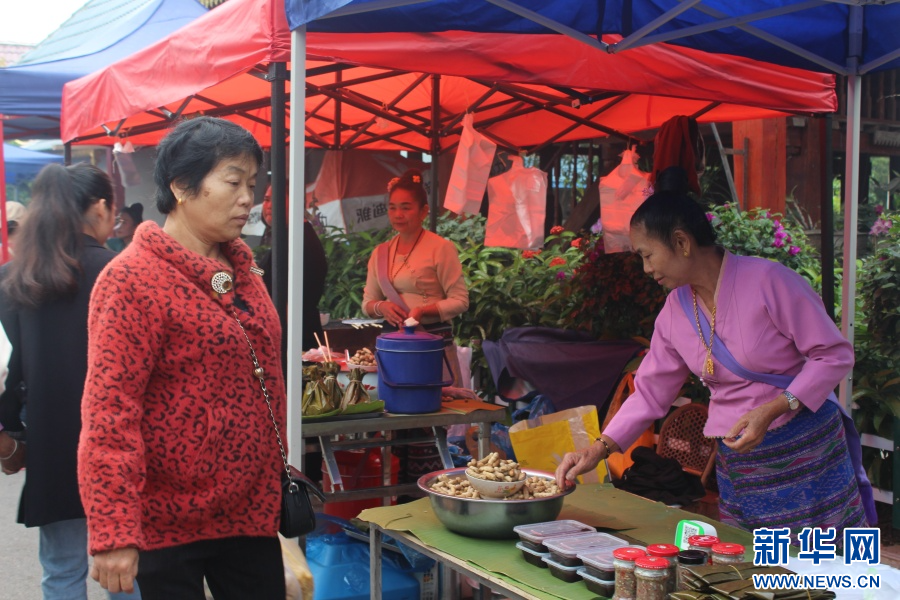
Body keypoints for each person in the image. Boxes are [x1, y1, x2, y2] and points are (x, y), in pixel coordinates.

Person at [555, 187, 875, 542]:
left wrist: (774, 408)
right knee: (751, 562)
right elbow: (649, 395)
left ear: (681, 242)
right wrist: (598, 450)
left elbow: (833, 355)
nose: (646, 269)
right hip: (740, 463)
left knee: (827, 562)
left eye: (647, 255)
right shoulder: (674, 311)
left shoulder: (770, 281)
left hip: (808, 450)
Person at [78, 117, 287, 599]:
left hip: (250, 511)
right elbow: (109, 411)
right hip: (167, 519)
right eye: (233, 182)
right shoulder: (130, 279)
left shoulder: (242, 269)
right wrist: (113, 530)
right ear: (181, 185)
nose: (247, 198)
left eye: (252, 183)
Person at [0, 164, 137, 600]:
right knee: (127, 572)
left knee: (61, 571)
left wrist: (10, 433)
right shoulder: (119, 271)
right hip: (118, 444)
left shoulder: (15, 278)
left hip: (51, 446)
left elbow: (7, 369)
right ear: (99, 208)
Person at [362, 169, 469, 335]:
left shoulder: (441, 248)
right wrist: (381, 306)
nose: (398, 215)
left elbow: (460, 301)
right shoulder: (380, 252)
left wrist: (423, 311)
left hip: (431, 335)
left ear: (423, 211)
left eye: (406, 208)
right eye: (392, 208)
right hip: (392, 337)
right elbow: (367, 304)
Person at [258, 185, 327, 351]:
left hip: (295, 341)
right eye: (266, 200)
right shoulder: (290, 236)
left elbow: (292, 297)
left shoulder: (298, 240)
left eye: (276, 199)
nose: (269, 205)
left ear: (296, 201)